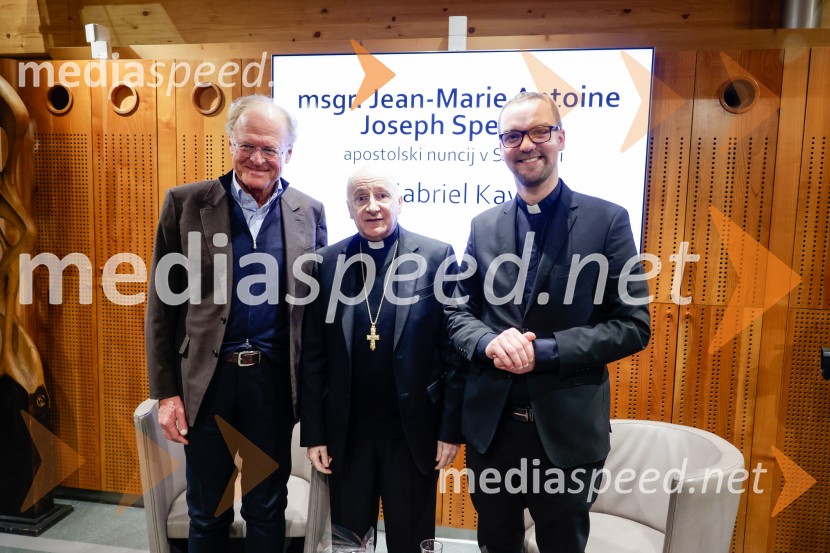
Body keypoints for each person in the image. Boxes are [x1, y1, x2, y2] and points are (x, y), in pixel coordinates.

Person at [444, 91, 651, 553]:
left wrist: (545, 351)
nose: (526, 144)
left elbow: (634, 325)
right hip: (493, 431)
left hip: (566, 433)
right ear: (502, 147)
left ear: (560, 138)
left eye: (539, 131)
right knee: (495, 544)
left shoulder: (607, 220)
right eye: (513, 135)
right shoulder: (482, 225)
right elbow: (459, 310)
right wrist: (488, 343)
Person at [145, 94, 327, 552]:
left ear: (288, 153)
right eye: (248, 146)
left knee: (268, 507)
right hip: (207, 386)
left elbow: (317, 315)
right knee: (208, 512)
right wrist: (166, 394)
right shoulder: (185, 203)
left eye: (271, 149)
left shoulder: (310, 212)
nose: (258, 159)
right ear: (229, 143)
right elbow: (162, 309)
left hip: (273, 385)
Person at [300, 165, 465, 553]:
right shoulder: (326, 263)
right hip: (348, 435)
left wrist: (449, 429)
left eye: (382, 196)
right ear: (349, 208)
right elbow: (313, 354)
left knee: (411, 541)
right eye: (361, 198)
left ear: (400, 202)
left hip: (413, 435)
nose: (372, 206)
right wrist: (315, 433)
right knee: (349, 542)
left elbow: (453, 353)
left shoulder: (437, 256)